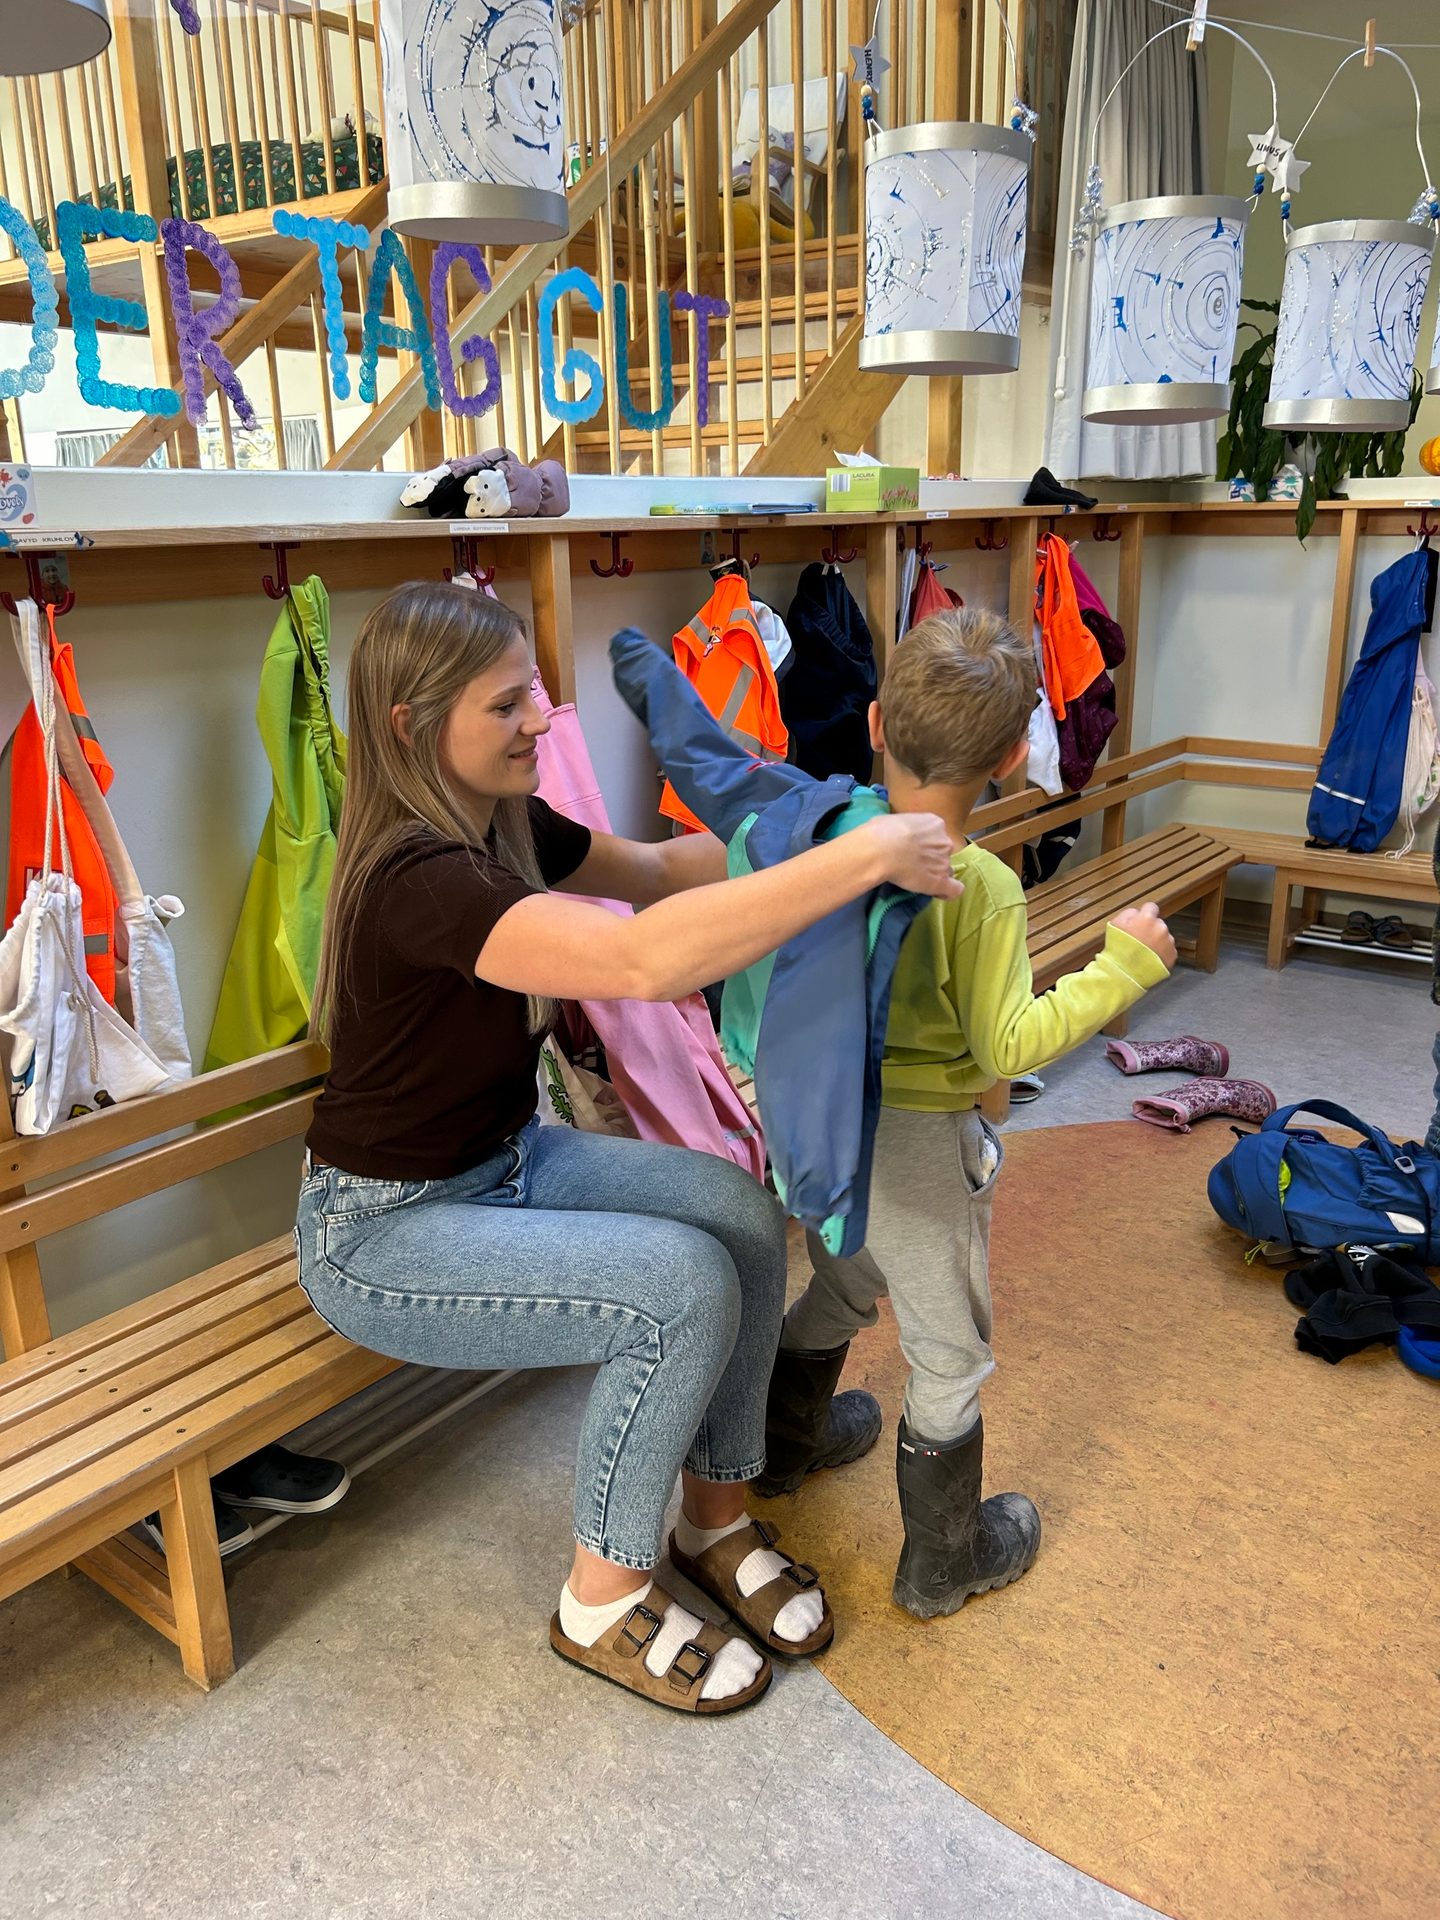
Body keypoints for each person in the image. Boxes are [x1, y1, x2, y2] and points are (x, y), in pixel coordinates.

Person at [294, 581, 961, 1715]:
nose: (543, 724)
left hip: (507, 1165)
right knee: (676, 1288)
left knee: (742, 1214)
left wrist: (805, 828)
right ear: (413, 722)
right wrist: (859, 864)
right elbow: (647, 960)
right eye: (508, 706)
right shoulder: (422, 880)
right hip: (380, 1230)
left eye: (538, 698)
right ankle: (600, 1597)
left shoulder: (502, 826)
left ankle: (715, 1518)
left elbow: (656, 875)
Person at [760, 608, 1177, 1618]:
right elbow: (1006, 1047)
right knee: (948, 1352)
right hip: (917, 1148)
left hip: (824, 1131)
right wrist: (1124, 969)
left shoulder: (825, 842)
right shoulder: (979, 883)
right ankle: (944, 1563)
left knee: (844, 1279)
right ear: (1005, 755)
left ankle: (783, 1448)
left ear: (871, 724)